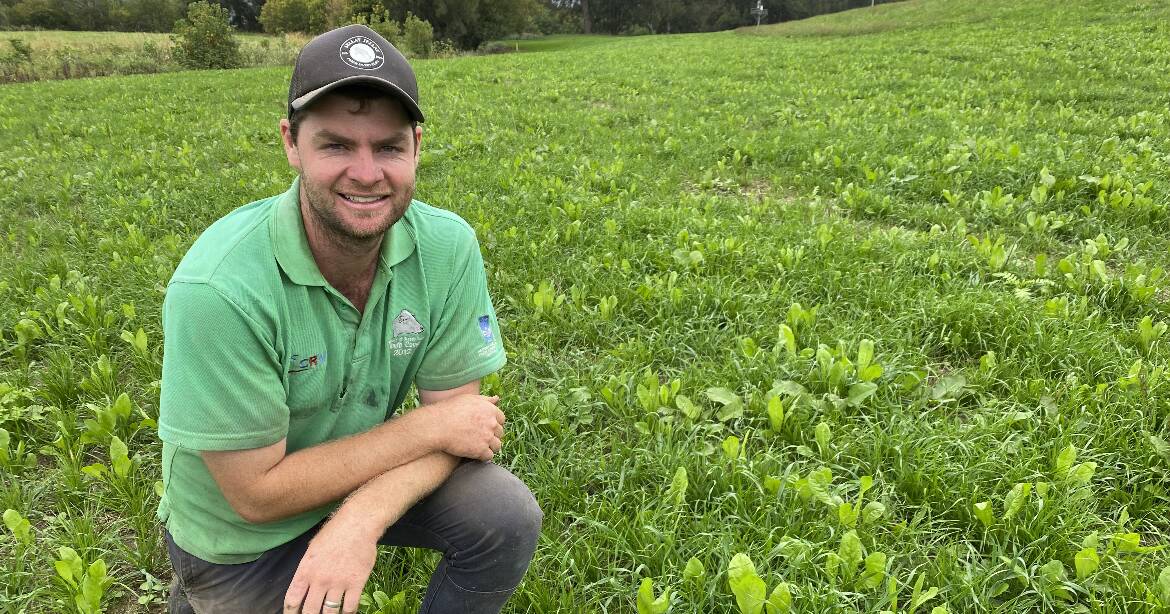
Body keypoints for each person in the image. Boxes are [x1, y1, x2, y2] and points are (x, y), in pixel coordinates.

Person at [155, 24, 542, 614]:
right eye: (336, 145)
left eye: (387, 147)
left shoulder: (447, 248)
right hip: (241, 541)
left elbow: (459, 427)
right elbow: (256, 496)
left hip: (357, 482)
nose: (366, 174)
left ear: (416, 145)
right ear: (291, 142)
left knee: (503, 515)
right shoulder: (218, 289)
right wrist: (422, 429)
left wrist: (358, 520)